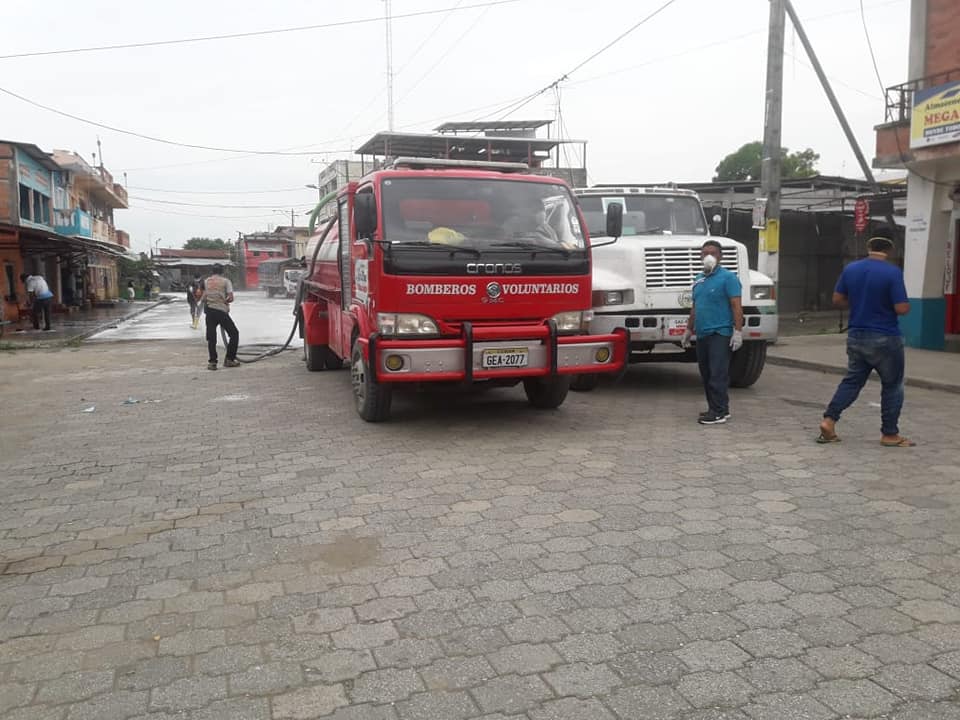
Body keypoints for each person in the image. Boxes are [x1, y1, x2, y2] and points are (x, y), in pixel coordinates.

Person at [818, 235, 913, 447]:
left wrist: (859, 302)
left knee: (852, 381)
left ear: (869, 246)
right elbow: (901, 308)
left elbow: (837, 299)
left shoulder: (851, 269)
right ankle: (890, 434)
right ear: (890, 249)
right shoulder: (893, 272)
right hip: (885, 337)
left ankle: (829, 420)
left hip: (856, 334)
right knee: (892, 385)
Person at [681, 240, 743, 425]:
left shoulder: (728, 278)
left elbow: (736, 306)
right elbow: (695, 306)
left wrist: (738, 331)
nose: (708, 256)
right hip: (702, 334)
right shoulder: (699, 279)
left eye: (713, 253)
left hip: (720, 333)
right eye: (705, 253)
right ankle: (717, 408)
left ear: (720, 256)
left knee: (717, 373)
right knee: (706, 373)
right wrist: (688, 329)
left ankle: (718, 412)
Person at [198, 264, 239, 370]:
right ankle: (229, 359)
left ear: (212, 271)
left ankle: (212, 362)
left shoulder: (206, 281)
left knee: (211, 338)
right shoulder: (226, 281)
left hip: (210, 312)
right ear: (222, 272)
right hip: (221, 311)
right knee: (234, 334)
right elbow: (231, 298)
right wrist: (225, 301)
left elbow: (203, 297)